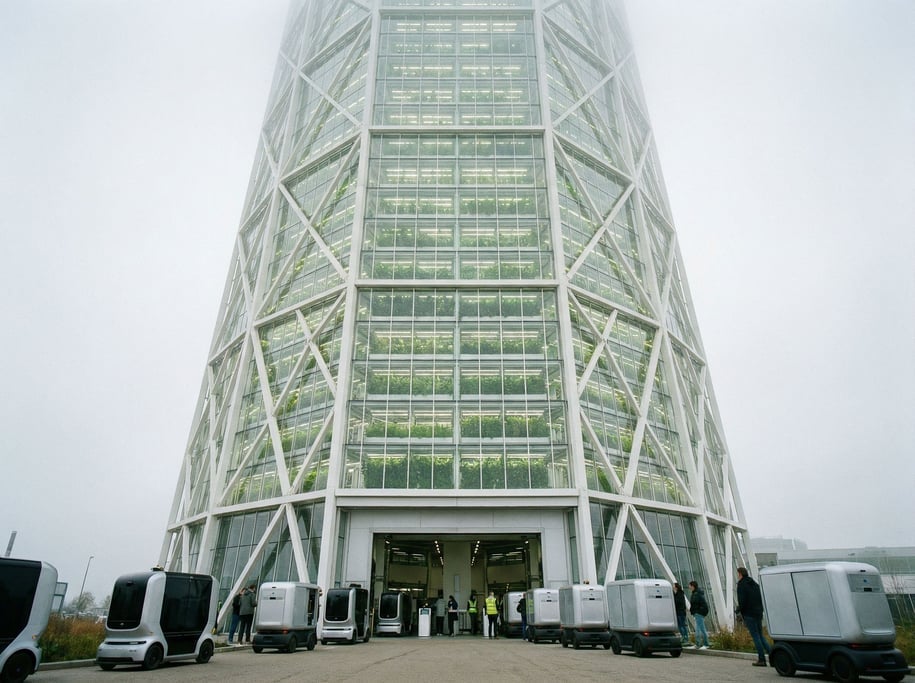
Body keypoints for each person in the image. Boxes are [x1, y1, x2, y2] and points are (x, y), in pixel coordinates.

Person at [736, 567, 771, 667]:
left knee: (755, 636)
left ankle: (761, 659)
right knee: (760, 635)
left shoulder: (741, 585)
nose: (737, 576)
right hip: (758, 613)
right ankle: (772, 656)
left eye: (737, 574)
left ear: (740, 574)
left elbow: (742, 600)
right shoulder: (754, 584)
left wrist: (739, 611)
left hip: (749, 614)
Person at [688, 580, 710, 649]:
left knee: (701, 629)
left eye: (690, 585)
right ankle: (698, 644)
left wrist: (697, 611)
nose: (689, 587)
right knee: (698, 629)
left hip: (699, 613)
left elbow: (698, 604)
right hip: (697, 613)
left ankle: (706, 644)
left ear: (693, 586)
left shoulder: (697, 594)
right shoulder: (695, 593)